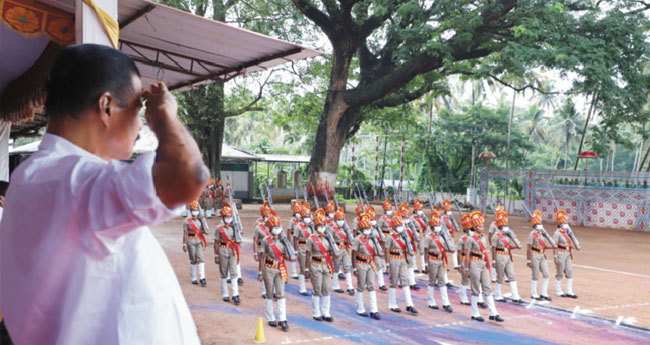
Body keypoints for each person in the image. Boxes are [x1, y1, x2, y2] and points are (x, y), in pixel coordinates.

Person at [0, 44, 208, 344]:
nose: (140, 127)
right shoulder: (75, 179)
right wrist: (165, 116)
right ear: (106, 106)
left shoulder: (30, 178)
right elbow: (188, 177)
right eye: (139, 109)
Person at [464, 211, 504, 322]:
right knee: (476, 288)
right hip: (474, 263)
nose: (482, 227)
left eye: (482, 225)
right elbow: (467, 255)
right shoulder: (470, 239)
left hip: (483, 263)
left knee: (487, 288)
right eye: (480, 226)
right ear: (475, 227)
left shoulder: (483, 237)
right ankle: (474, 312)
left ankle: (493, 313)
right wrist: (466, 269)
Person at [258, 215, 296, 331]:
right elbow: (262, 256)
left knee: (280, 293)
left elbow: (287, 255)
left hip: (280, 268)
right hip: (268, 268)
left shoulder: (283, 240)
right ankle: (270, 318)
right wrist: (260, 271)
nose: (277, 227)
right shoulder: (266, 240)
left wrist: (291, 257)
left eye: (278, 225)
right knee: (269, 293)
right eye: (274, 226)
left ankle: (283, 319)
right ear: (270, 228)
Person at [305, 214, 338, 322]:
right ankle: (316, 313)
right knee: (317, 289)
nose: (322, 226)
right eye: (320, 225)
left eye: (324, 224)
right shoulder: (311, 239)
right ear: (315, 226)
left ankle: (326, 312)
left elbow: (334, 251)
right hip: (315, 264)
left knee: (327, 288)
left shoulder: (329, 237)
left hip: (326, 265)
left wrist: (334, 252)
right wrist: (306, 269)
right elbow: (308, 254)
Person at [384, 216, 418, 315]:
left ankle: (409, 305)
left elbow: (407, 247)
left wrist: (410, 252)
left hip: (402, 259)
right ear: (394, 227)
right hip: (394, 259)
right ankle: (392, 304)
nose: (400, 226)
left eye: (400, 224)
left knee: (405, 280)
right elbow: (386, 250)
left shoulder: (404, 235)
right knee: (393, 281)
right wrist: (387, 265)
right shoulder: (390, 237)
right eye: (398, 225)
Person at [351, 214, 382, 320]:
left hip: (370, 264)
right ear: (361, 229)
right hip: (360, 263)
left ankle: (374, 310)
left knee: (371, 286)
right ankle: (360, 308)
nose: (368, 230)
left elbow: (377, 251)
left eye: (369, 228)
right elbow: (353, 253)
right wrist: (354, 268)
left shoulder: (372, 239)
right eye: (366, 228)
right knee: (361, 286)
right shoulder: (358, 239)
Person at [490, 211, 523, 303]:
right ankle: (497, 294)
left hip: (507, 255)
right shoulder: (496, 236)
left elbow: (508, 246)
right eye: (504, 224)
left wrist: (516, 247)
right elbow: (493, 248)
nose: (506, 226)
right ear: (500, 226)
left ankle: (515, 296)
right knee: (500, 276)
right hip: (499, 256)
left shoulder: (508, 235)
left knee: (511, 275)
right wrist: (493, 260)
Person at [422, 216, 453, 313]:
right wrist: (426, 264)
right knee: (432, 280)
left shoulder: (441, 236)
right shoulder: (428, 237)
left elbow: (445, 247)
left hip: (441, 259)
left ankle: (446, 303)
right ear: (431, 227)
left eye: (439, 225)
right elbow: (426, 251)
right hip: (432, 259)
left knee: (442, 281)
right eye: (436, 225)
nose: (438, 227)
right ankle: (431, 301)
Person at [214, 205, 241, 305]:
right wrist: (216, 255)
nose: (229, 218)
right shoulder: (219, 228)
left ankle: (235, 294)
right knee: (224, 272)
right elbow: (216, 242)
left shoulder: (235, 227)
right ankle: (225, 294)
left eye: (230, 216)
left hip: (232, 250)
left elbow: (238, 239)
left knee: (234, 272)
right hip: (223, 250)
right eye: (227, 216)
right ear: (223, 217)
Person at [527, 210, 554, 301]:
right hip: (534, 255)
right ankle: (534, 293)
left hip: (542, 255)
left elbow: (544, 246)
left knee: (546, 274)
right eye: (538, 223)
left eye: (540, 222)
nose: (540, 224)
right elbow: (529, 247)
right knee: (535, 275)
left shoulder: (542, 234)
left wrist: (553, 247)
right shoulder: (532, 234)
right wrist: (528, 260)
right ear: (535, 225)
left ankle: (544, 293)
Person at [553, 210, 580, 299]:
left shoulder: (567, 233)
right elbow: (555, 246)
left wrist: (575, 247)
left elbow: (568, 244)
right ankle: (558, 290)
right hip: (560, 253)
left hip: (568, 253)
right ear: (560, 224)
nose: (566, 224)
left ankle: (569, 291)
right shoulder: (557, 233)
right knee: (560, 272)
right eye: (564, 222)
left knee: (569, 271)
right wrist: (555, 256)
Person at [184, 201, 210, 286]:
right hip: (190, 240)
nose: (195, 211)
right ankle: (194, 277)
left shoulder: (200, 220)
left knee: (201, 258)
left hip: (199, 240)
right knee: (193, 259)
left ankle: (202, 277)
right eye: (193, 210)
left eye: (196, 210)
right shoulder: (187, 221)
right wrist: (184, 244)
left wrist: (205, 227)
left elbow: (205, 231)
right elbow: (185, 233)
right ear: (191, 211)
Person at [330, 208, 355, 295]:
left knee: (347, 266)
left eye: (342, 219)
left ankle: (350, 286)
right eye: (339, 219)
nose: (340, 221)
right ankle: (335, 285)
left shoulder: (345, 228)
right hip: (337, 250)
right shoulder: (332, 229)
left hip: (344, 249)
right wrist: (334, 251)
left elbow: (349, 238)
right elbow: (331, 241)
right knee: (336, 268)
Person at [253, 204, 274, 298]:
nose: (268, 218)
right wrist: (255, 253)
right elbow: (255, 240)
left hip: (272, 250)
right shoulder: (259, 227)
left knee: (272, 270)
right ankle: (264, 291)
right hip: (262, 250)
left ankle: (272, 290)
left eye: (269, 216)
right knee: (264, 270)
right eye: (266, 216)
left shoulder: (274, 227)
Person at [399, 204, 420, 291]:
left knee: (410, 266)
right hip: (403, 249)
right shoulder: (399, 228)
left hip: (410, 248)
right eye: (404, 217)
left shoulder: (410, 227)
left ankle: (412, 282)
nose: (406, 219)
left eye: (407, 217)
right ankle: (401, 282)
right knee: (403, 266)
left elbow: (413, 238)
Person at [295, 204, 314, 295]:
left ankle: (315, 288)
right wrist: (295, 251)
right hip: (302, 248)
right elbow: (295, 239)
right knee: (303, 268)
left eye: (308, 216)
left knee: (313, 268)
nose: (307, 218)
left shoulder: (311, 226)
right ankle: (302, 288)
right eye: (306, 217)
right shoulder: (298, 226)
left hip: (310, 249)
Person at [367, 206, 388, 291]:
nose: (373, 221)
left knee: (378, 266)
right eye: (371, 220)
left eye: (374, 219)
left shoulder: (377, 229)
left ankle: (381, 284)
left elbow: (383, 238)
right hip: (368, 252)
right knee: (368, 267)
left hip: (376, 251)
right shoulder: (365, 230)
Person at [288, 200, 303, 279]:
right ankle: (293, 272)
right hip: (293, 238)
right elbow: (288, 231)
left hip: (300, 239)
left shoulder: (302, 221)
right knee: (293, 255)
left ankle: (302, 271)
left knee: (301, 256)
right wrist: (289, 241)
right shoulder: (292, 221)